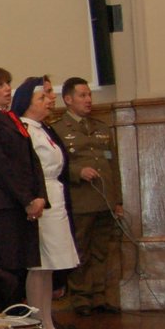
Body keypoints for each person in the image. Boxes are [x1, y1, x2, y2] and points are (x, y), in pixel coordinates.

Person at [0, 66, 47, 309]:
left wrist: (40, 196)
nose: (6, 90)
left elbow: (32, 160)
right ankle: (12, 323)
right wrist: (26, 199)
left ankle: (30, 322)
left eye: (7, 84)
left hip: (26, 202)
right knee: (11, 267)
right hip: (7, 205)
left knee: (28, 266)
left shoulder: (12, 118)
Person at [15, 77, 79, 329]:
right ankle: (37, 326)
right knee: (39, 265)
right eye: (41, 99)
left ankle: (49, 324)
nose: (47, 102)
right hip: (42, 198)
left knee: (50, 266)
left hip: (56, 194)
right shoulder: (24, 130)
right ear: (27, 104)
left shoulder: (43, 129)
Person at [56, 77, 124, 315]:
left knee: (101, 251)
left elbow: (113, 166)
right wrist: (77, 172)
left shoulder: (101, 128)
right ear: (68, 99)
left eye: (89, 95)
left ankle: (99, 296)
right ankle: (81, 298)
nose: (88, 100)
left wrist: (117, 200)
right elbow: (56, 165)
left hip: (103, 200)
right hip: (79, 200)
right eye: (82, 95)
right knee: (80, 251)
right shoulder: (58, 130)